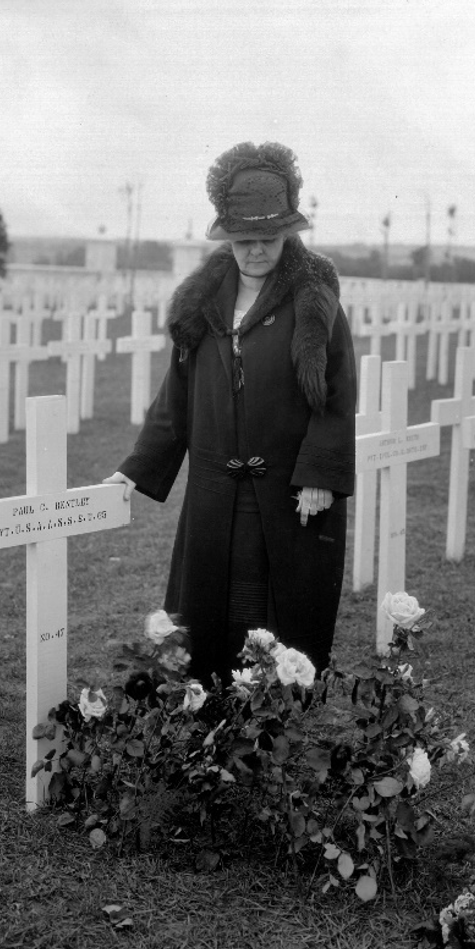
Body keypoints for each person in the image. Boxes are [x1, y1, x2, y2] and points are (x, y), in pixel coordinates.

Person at [104, 142, 357, 685]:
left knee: (275, 605)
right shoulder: (204, 301)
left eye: (268, 239)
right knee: (213, 606)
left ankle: (272, 711)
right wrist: (136, 465)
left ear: (288, 234)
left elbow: (336, 392)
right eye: (244, 241)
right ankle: (212, 699)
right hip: (218, 488)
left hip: (288, 488)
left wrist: (320, 476)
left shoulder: (314, 297)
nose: (256, 252)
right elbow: (178, 395)